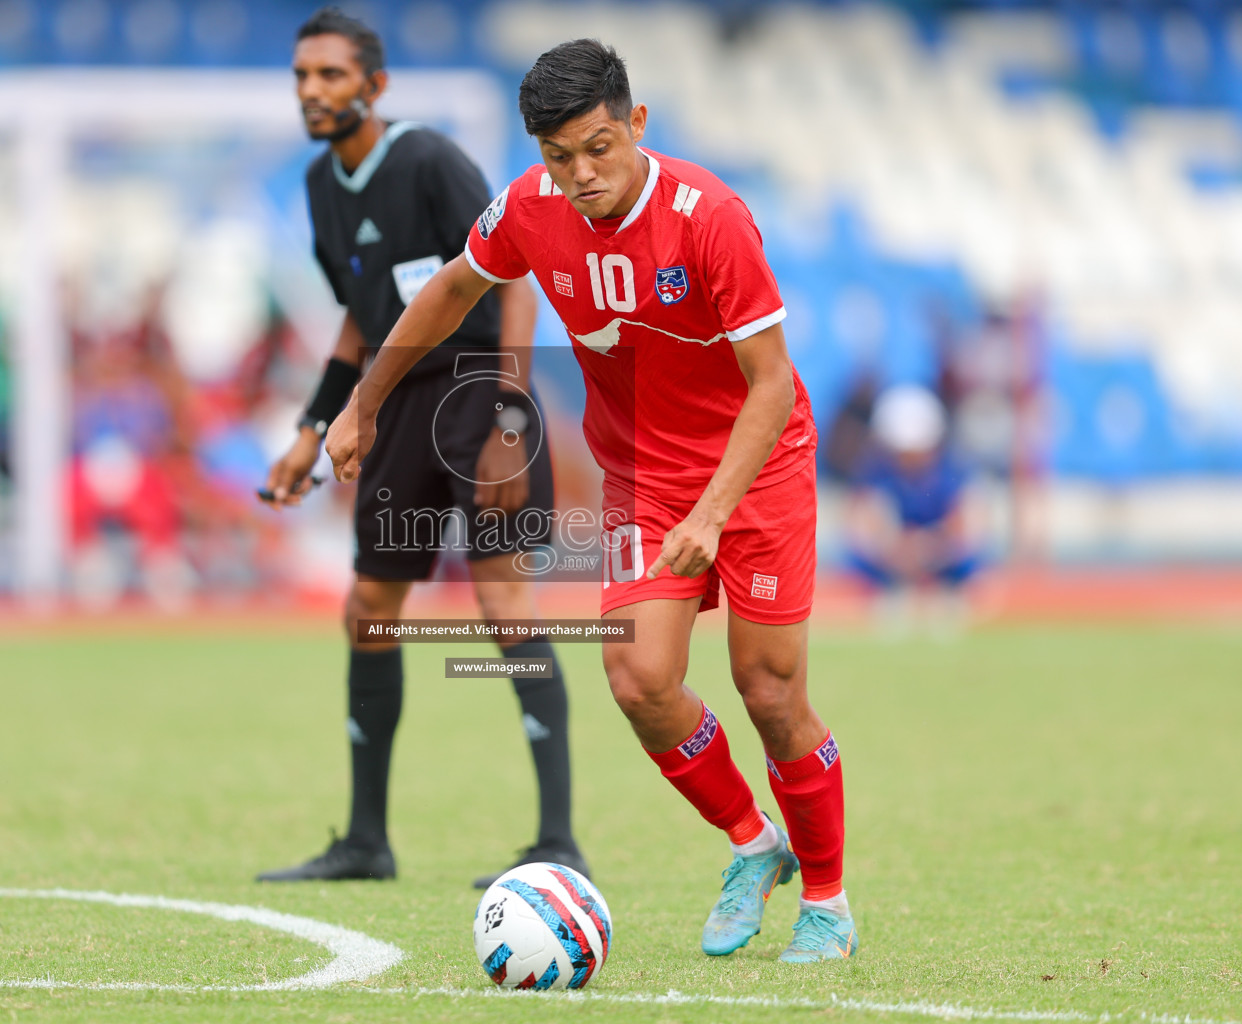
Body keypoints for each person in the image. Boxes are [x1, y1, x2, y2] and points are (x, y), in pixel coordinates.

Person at [326, 40, 857, 961]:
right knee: (639, 681)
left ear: (637, 124)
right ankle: (751, 842)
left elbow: (771, 384)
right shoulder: (531, 208)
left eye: (600, 147)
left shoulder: (712, 218)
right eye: (559, 156)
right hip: (647, 477)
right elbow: (455, 287)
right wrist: (362, 403)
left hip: (757, 467)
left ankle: (828, 904)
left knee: (769, 692)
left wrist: (713, 513)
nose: (581, 174)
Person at [257, 8, 587, 888]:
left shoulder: (432, 160)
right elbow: (358, 326)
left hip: (481, 394)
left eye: (329, 74)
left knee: (504, 607)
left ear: (375, 84)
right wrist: (310, 430)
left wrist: (510, 421)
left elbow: (512, 276)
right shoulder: (321, 186)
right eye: (301, 76)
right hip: (399, 407)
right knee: (368, 607)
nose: (312, 91)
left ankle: (558, 841)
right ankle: (368, 840)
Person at [847, 384, 982, 624]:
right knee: (851, 557)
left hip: (939, 555)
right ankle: (881, 601)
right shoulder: (876, 471)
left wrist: (928, 548)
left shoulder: (951, 469)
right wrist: (894, 549)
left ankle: (950, 601)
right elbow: (864, 523)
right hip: (891, 557)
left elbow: (963, 524)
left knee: (974, 559)